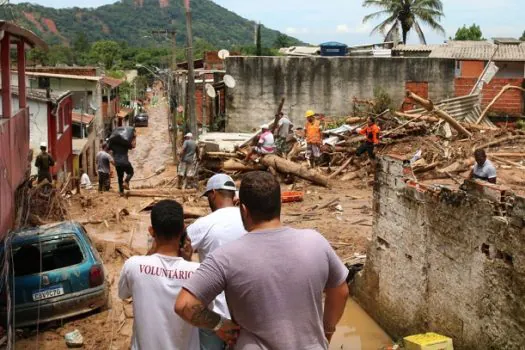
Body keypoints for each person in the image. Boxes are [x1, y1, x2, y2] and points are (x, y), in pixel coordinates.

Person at [176, 171, 349, 349]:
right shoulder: (316, 242)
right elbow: (340, 292)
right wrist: (327, 331)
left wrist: (219, 324)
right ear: (280, 204)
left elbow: (185, 305)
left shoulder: (225, 257)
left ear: (243, 209)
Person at [119, 200, 200, 350]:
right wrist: (187, 261)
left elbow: (123, 294)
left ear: (151, 231)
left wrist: (149, 254)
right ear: (183, 229)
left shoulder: (133, 265)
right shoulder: (198, 272)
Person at [186, 174, 246, 350]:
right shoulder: (249, 220)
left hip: (215, 316)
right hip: (246, 312)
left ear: (213, 194)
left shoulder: (203, 224)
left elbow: (177, 251)